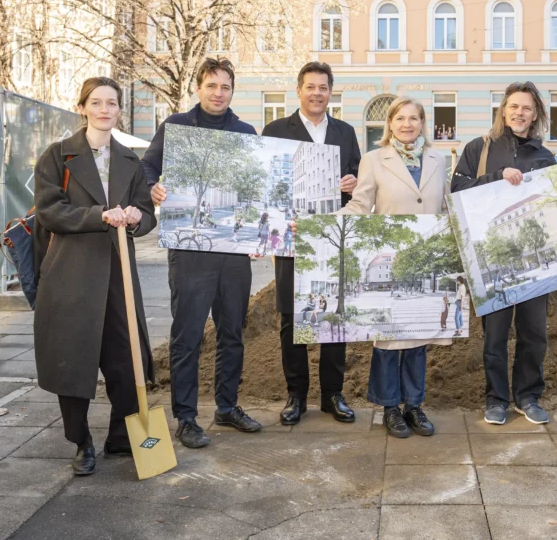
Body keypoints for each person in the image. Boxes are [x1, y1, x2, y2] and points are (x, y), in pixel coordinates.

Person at [33, 77, 156, 476]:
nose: (105, 110)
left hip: (117, 273)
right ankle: (81, 442)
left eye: (112, 103)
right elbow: (50, 211)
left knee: (126, 357)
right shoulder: (57, 156)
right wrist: (98, 215)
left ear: (120, 110)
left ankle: (122, 437)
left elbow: (145, 213)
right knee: (74, 359)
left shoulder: (130, 161)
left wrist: (138, 217)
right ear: (83, 107)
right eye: (97, 102)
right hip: (71, 274)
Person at [142, 58, 262, 448]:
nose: (218, 93)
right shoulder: (176, 127)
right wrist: (152, 189)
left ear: (232, 90)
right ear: (198, 88)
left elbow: (257, 189)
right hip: (190, 250)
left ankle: (227, 407)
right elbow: (146, 168)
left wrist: (260, 233)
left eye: (225, 86)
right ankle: (187, 417)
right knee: (188, 335)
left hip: (233, 251)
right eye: (211, 85)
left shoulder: (245, 132)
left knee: (232, 333)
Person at [341, 96, 451, 438]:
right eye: (400, 118)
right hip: (388, 253)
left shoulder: (439, 159)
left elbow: (446, 205)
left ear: (422, 123)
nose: (407, 124)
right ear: (390, 124)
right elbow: (360, 205)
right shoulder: (374, 160)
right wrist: (323, 225)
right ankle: (390, 408)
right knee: (389, 339)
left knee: (418, 337)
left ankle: (414, 406)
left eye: (413, 119)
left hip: (425, 257)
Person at [451, 81, 557, 426]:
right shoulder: (478, 149)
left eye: (526, 108)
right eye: (513, 106)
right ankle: (496, 398)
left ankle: (528, 396)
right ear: (503, 110)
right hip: (491, 257)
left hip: (534, 261)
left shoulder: (545, 157)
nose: (519, 113)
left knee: (534, 333)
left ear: (535, 113)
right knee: (495, 335)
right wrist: (496, 177)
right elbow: (457, 191)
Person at [262, 62, 361, 426]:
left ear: (330, 92)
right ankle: (296, 394)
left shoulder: (345, 132)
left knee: (335, 313)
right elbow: (266, 182)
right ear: (299, 90)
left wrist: (352, 183)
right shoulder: (275, 131)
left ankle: (333, 394)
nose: (317, 93)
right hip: (292, 235)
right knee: (292, 316)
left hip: (332, 237)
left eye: (323, 87)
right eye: (310, 87)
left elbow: (358, 177)